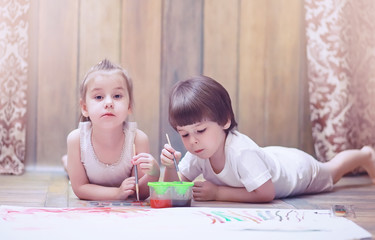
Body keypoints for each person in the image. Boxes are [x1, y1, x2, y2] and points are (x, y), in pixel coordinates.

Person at [160, 75, 375, 203]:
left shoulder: (241, 152)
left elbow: (266, 194)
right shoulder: (199, 151)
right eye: (184, 134)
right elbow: (175, 190)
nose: (193, 141)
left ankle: (365, 155)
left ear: (225, 121)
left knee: (333, 171)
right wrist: (169, 167)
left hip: (297, 170)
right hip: (270, 158)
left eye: (200, 130)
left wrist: (218, 192)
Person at [66, 59, 160, 201]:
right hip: (92, 176)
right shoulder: (76, 140)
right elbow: (80, 188)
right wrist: (116, 194)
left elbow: (141, 193)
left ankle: (67, 162)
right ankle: (67, 162)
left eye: (117, 96)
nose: (109, 103)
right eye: (99, 97)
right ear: (84, 107)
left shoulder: (138, 139)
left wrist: (154, 174)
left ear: (129, 106)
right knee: (70, 169)